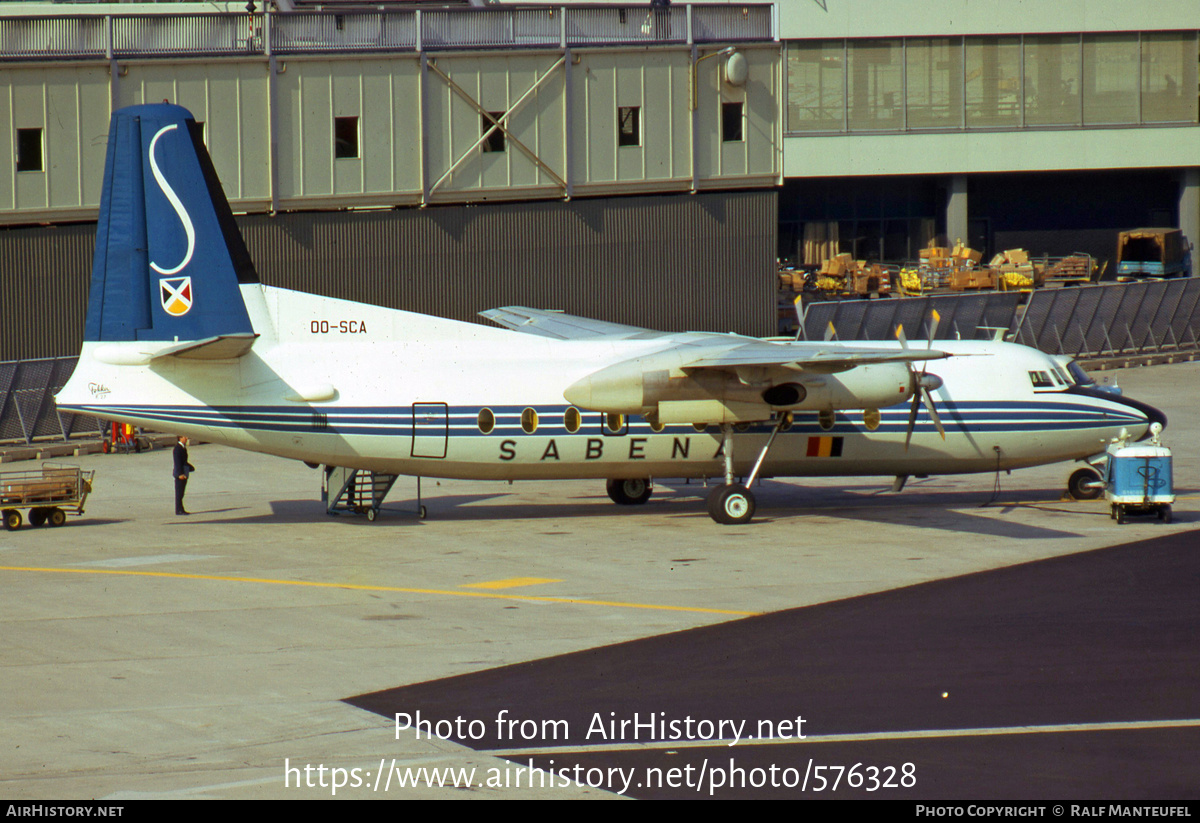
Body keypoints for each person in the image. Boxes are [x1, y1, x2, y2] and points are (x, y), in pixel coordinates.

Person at [173, 435, 195, 515]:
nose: (186, 438)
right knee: (179, 492)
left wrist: (190, 468)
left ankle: (181, 508)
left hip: (184, 473)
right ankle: (178, 510)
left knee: (181, 492)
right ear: (180, 438)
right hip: (180, 474)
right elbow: (178, 462)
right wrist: (180, 474)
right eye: (184, 437)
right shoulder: (177, 449)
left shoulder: (182, 448)